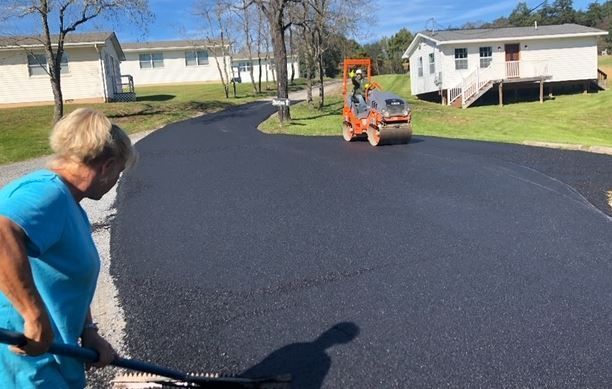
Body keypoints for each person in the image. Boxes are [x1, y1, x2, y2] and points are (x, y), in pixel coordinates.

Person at [0, 108, 137, 388]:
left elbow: (66, 277)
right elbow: (2, 232)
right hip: (27, 363)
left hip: (56, 355)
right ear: (106, 166)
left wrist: (88, 330)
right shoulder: (47, 193)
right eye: (119, 173)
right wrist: (34, 316)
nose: (116, 181)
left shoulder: (68, 203)